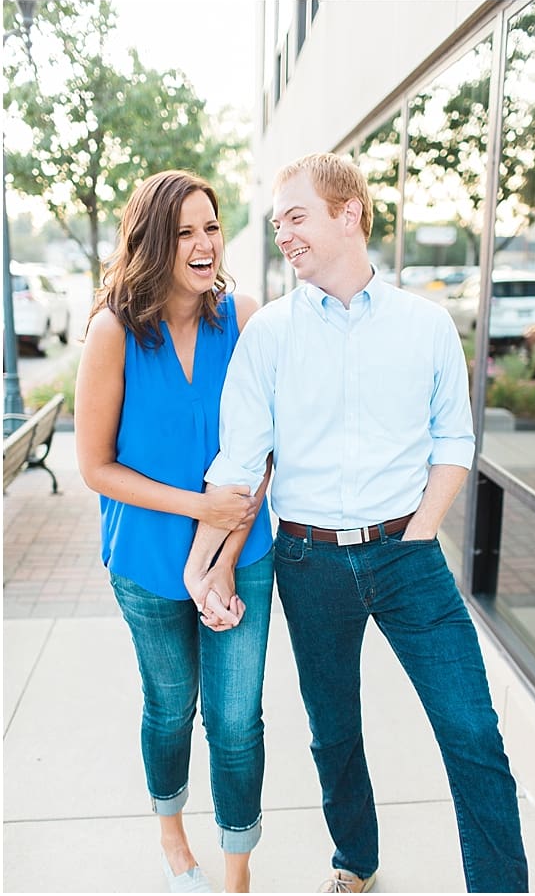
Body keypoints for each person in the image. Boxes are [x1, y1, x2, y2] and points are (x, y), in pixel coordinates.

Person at [184, 152, 529, 893]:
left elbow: (453, 441)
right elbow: (239, 463)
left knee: (473, 731)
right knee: (333, 731)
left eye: (297, 217)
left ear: (349, 214)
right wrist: (200, 564)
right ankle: (356, 862)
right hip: (308, 564)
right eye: (278, 224)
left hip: (408, 557)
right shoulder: (269, 333)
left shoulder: (426, 325)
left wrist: (420, 530)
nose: (284, 235)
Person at [75, 170, 274, 893]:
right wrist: (199, 512)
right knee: (170, 706)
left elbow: (268, 449)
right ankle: (170, 827)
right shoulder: (113, 331)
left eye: (211, 227)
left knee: (236, 719)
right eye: (184, 230)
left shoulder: (244, 316)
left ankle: (236, 872)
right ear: (152, 240)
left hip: (243, 552)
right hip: (147, 560)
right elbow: (95, 466)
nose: (202, 244)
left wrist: (222, 550)